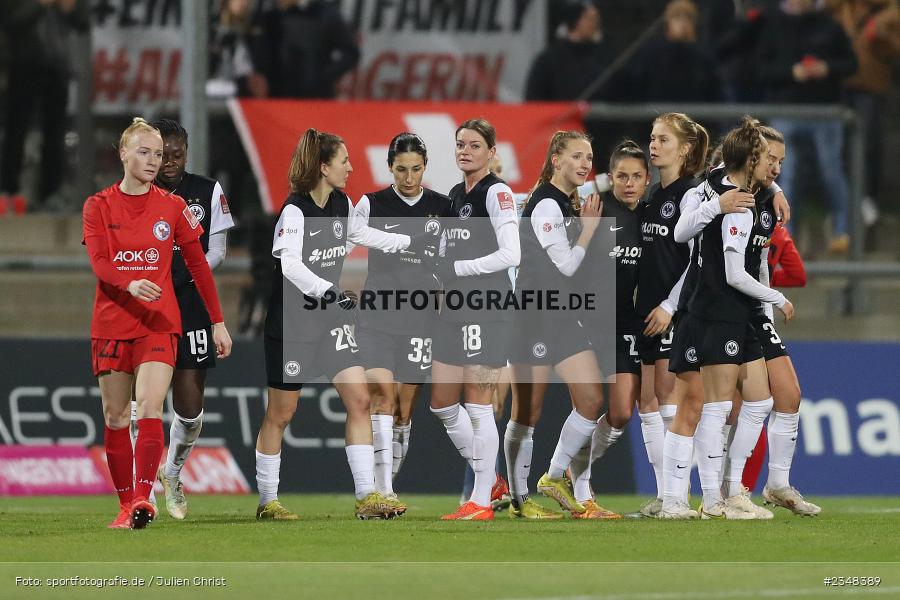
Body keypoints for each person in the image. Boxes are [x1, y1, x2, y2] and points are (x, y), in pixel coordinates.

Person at [257, 128, 432, 520]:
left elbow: (361, 233)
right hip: (293, 326)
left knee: (360, 399)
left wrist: (407, 242)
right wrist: (330, 291)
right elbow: (291, 266)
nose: (351, 168)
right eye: (344, 161)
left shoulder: (340, 202)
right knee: (281, 414)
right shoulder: (295, 211)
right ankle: (268, 500)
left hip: (329, 322)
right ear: (324, 167)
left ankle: (367, 495)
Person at [83, 118, 232, 529]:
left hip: (159, 322)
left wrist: (217, 322)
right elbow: (99, 263)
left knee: (149, 407)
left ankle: (143, 498)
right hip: (112, 322)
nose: (154, 160)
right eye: (145, 152)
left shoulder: (173, 206)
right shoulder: (98, 205)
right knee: (115, 416)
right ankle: (124, 503)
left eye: (159, 154)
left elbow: (200, 265)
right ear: (124, 154)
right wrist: (129, 283)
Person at [664, 117, 791, 519]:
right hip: (716, 308)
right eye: (766, 160)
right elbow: (686, 237)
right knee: (706, 407)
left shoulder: (717, 183)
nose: (771, 167)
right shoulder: (735, 202)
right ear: (749, 160)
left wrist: (775, 186)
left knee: (758, 400)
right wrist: (777, 297)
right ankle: (704, 500)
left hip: (731, 311)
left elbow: (687, 228)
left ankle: (729, 492)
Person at [502, 131, 605, 520]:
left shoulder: (565, 201)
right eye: (577, 156)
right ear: (556, 159)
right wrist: (590, 229)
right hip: (532, 316)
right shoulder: (546, 203)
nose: (584, 163)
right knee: (527, 412)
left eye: (588, 157)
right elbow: (564, 265)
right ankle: (518, 500)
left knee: (592, 399)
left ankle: (554, 475)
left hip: (560, 314)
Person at [139, 119, 236, 521]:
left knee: (191, 405)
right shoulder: (140, 192)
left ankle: (172, 472)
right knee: (143, 402)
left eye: (179, 154)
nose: (172, 163)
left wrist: (189, 271)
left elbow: (217, 249)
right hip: (149, 304)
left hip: (192, 302)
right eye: (165, 155)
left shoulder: (207, 191)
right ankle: (140, 490)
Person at [430, 119, 520, 521]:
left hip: (487, 305)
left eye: (474, 145)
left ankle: (481, 500)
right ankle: (493, 478)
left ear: (491, 152)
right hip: (456, 308)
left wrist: (460, 270)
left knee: (479, 404)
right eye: (460, 144)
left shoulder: (496, 192)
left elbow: (510, 254)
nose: (465, 151)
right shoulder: (455, 194)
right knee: (442, 403)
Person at [354, 133, 449, 500]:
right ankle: (384, 491)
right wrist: (397, 242)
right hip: (378, 312)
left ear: (425, 167)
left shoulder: (442, 206)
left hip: (420, 316)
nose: (409, 178)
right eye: (401, 170)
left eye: (416, 170)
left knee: (404, 410)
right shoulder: (372, 202)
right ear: (389, 168)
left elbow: (449, 258)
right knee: (382, 395)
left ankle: (386, 482)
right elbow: (351, 232)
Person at [632, 112, 709, 517]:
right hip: (646, 309)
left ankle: (679, 494)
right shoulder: (652, 196)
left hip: (673, 311)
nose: (654, 145)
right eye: (652, 138)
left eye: (663, 139)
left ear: (685, 148)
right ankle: (665, 494)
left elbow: (696, 260)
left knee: (667, 396)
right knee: (646, 400)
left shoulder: (691, 194)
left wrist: (669, 306)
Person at [568, 140, 650, 517]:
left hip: (624, 323)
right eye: (621, 176)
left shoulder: (650, 217)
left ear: (647, 180)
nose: (629, 183)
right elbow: (567, 191)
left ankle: (573, 465)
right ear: (610, 177)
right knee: (586, 407)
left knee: (620, 412)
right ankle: (582, 493)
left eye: (636, 177)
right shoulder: (595, 210)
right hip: (585, 319)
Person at [756, 0, 857, 253]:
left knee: (831, 171)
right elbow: (758, 68)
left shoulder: (831, 26)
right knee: (786, 176)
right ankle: (786, 237)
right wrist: (792, 73)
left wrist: (827, 68)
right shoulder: (772, 25)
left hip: (825, 112)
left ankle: (842, 231)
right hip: (786, 112)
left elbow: (851, 63)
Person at [0, 0, 90, 211]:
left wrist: (72, 9)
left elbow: (83, 21)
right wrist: (40, 5)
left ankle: (50, 192)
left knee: (55, 132)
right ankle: (8, 190)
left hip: (57, 64)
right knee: (17, 129)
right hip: (24, 63)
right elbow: (10, 19)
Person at [830, 0, 900, 227]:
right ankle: (845, 202)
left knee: (867, 143)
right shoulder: (840, 9)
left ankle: (867, 198)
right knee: (838, 147)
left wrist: (881, 38)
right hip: (838, 85)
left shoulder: (890, 14)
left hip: (870, 86)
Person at [262, 0, 360, 99]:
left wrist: (324, 77)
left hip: (315, 99)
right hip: (275, 97)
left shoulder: (325, 13)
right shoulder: (270, 15)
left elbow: (351, 53)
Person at [627, 0, 722, 102]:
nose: (683, 23)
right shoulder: (652, 53)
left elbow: (713, 90)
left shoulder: (703, 56)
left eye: (688, 18)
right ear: (668, 22)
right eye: (677, 18)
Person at [524, 1, 614, 101]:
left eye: (596, 19)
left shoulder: (603, 58)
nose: (595, 24)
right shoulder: (549, 60)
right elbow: (534, 99)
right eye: (590, 19)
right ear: (575, 20)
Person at [208, 0, 270, 98]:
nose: (243, 3)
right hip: (213, 91)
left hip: (242, 92)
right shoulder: (211, 29)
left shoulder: (254, 31)